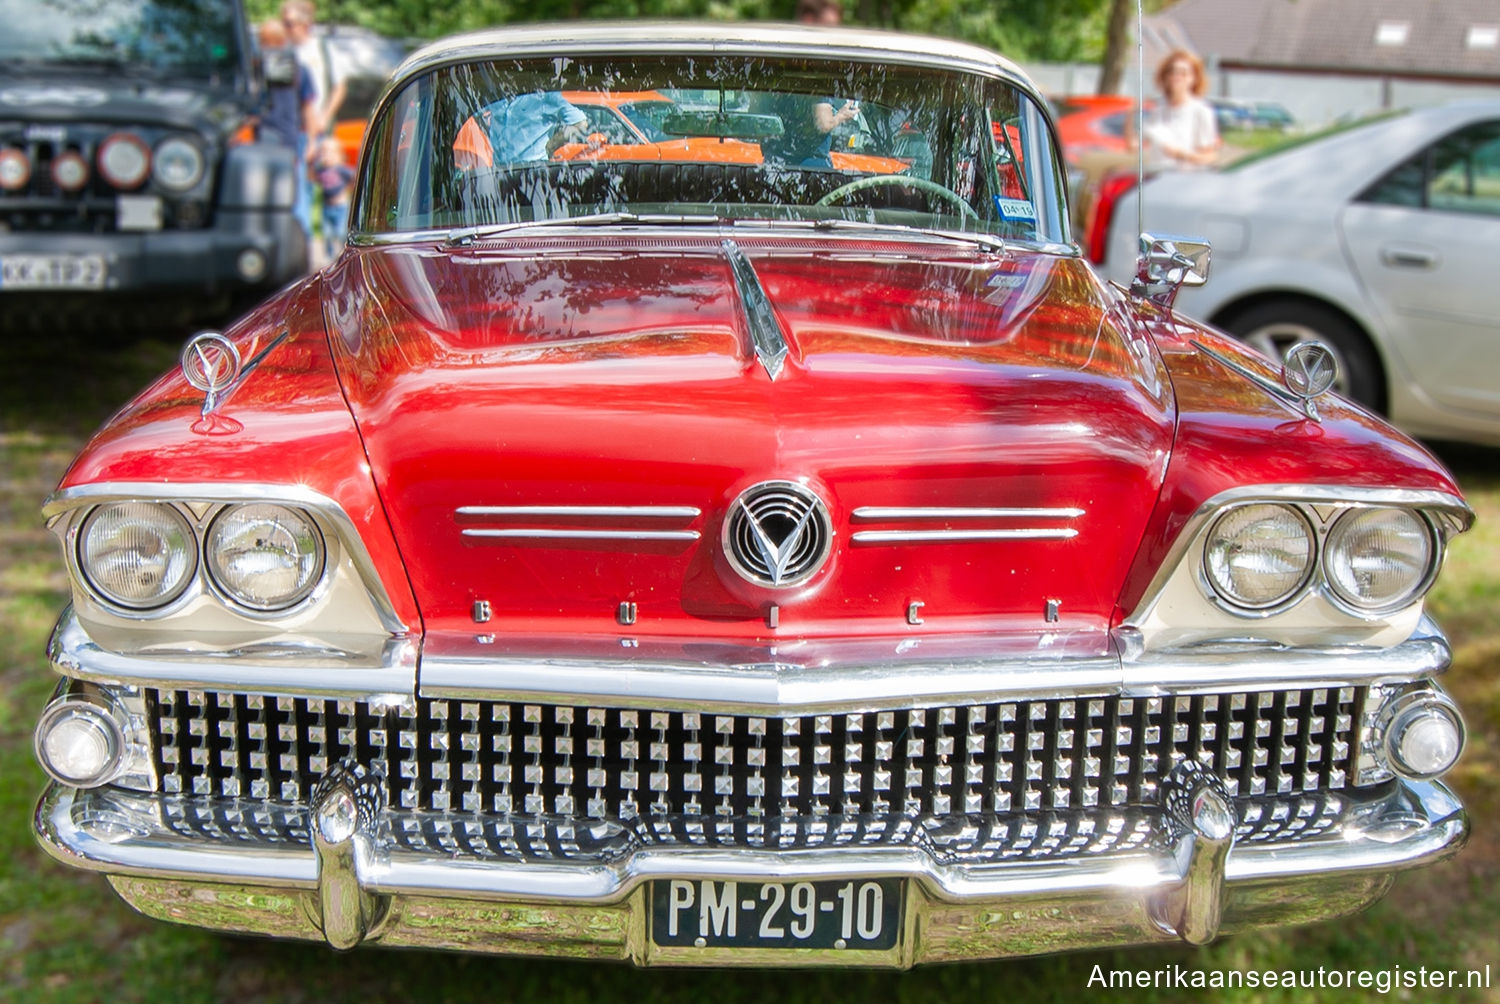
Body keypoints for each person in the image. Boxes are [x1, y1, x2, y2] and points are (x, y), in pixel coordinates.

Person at [255, 20, 316, 245]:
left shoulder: (299, 71)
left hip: (289, 140)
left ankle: (301, 245)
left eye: (267, 42)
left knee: (297, 200)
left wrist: (311, 142)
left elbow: (308, 108)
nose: (265, 47)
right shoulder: (255, 69)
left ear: (281, 42)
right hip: (263, 139)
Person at [453, 92, 588, 169]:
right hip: (499, 172)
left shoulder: (545, 97)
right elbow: (475, 117)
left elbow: (580, 122)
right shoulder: (495, 98)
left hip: (534, 170)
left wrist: (551, 145)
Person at [1141, 49, 1220, 169]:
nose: (1176, 77)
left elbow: (1209, 157)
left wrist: (1180, 154)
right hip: (1158, 179)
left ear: (1194, 78)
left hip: (1186, 181)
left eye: (1183, 73)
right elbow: (1136, 146)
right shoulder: (1158, 111)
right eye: (1171, 72)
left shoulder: (1200, 111)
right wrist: (1131, 112)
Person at [281, 0, 345, 138]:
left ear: (305, 24)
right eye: (283, 23)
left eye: (289, 24)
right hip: (291, 130)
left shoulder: (323, 49)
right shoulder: (284, 51)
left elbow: (339, 87)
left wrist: (324, 117)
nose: (285, 28)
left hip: (318, 130)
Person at [314, 136, 353, 260]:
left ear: (337, 155)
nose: (326, 156)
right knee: (327, 233)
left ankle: (342, 253)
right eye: (323, 152)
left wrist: (346, 191)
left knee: (340, 232)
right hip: (326, 206)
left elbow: (353, 178)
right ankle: (330, 255)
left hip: (340, 206)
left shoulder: (340, 169)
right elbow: (312, 176)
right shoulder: (321, 170)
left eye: (330, 152)